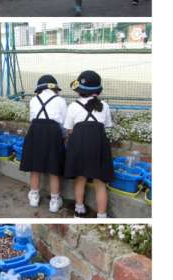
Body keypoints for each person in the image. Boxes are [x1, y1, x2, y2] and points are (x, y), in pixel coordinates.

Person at [64, 70, 114, 218]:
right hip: (99, 145)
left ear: (79, 91)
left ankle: (79, 210)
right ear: (98, 91)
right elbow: (107, 125)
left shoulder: (73, 106)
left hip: (79, 144)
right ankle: (102, 215)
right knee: (100, 182)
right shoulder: (104, 106)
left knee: (80, 178)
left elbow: (69, 129)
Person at [20, 75, 67, 213]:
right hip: (53, 132)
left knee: (35, 167)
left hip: (35, 131)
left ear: (39, 89)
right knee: (54, 168)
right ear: (55, 88)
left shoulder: (34, 100)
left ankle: (34, 196)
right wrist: (64, 137)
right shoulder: (60, 100)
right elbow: (64, 124)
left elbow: (32, 119)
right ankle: (54, 201)